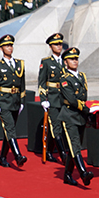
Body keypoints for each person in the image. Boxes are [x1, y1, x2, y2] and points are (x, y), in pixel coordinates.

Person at [0, 34, 28, 168]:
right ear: (1, 49)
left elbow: (22, 84)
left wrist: (22, 101)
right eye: (6, 46)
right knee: (10, 128)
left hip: (15, 101)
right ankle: (18, 156)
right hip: (4, 101)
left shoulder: (19, 64)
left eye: (11, 45)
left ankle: (3, 157)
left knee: (9, 130)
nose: (9, 48)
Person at [58, 47, 94, 186]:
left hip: (80, 116)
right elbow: (72, 100)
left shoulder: (81, 76)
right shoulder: (64, 79)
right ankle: (83, 173)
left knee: (73, 147)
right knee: (75, 145)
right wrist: (86, 109)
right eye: (71, 59)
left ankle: (67, 175)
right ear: (65, 62)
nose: (74, 61)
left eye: (76, 59)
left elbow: (83, 96)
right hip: (69, 116)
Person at [37, 33, 66, 165]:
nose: (59, 46)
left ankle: (49, 151)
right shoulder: (46, 62)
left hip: (64, 98)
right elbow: (42, 82)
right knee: (56, 126)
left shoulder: (66, 61)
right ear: (50, 46)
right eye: (56, 44)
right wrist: (43, 99)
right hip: (53, 98)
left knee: (60, 126)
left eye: (60, 44)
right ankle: (63, 156)